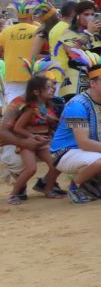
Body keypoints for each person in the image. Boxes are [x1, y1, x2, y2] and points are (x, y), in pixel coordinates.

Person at [48, 48, 101, 203]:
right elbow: (83, 142)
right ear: (92, 83)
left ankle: (90, 183)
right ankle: (74, 188)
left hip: (88, 151)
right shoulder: (77, 104)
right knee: (99, 161)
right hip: (65, 152)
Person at [0, 71, 57, 204]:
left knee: (57, 162)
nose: (53, 88)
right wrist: (28, 140)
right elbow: (10, 129)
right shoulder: (25, 106)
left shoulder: (49, 103)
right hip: (24, 142)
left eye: (54, 84)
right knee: (30, 168)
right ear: (36, 91)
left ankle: (47, 188)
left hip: (40, 141)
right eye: (49, 85)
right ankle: (15, 191)